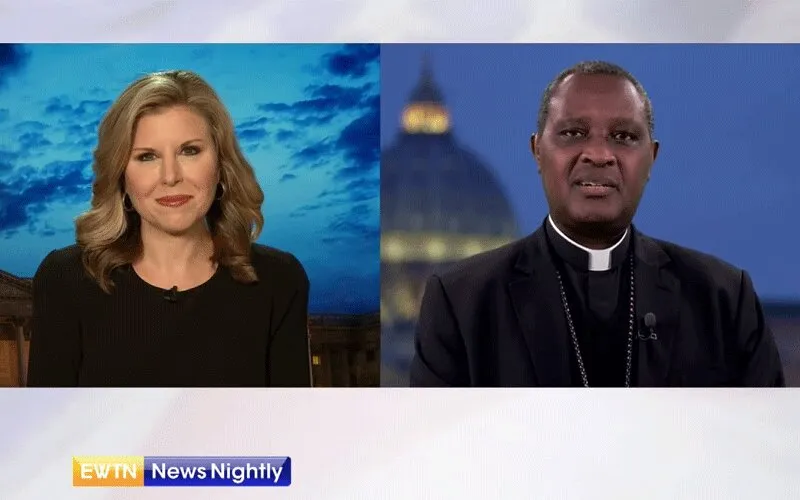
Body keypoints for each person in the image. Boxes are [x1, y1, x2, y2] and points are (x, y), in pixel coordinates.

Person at [410, 61, 785, 388]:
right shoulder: (461, 302)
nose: (599, 154)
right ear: (537, 150)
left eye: (624, 136)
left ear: (652, 158)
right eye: (573, 133)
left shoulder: (723, 301)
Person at [27, 70, 312, 387]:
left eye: (189, 151)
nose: (170, 176)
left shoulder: (279, 281)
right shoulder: (64, 280)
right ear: (121, 175)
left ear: (221, 165)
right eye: (147, 156)